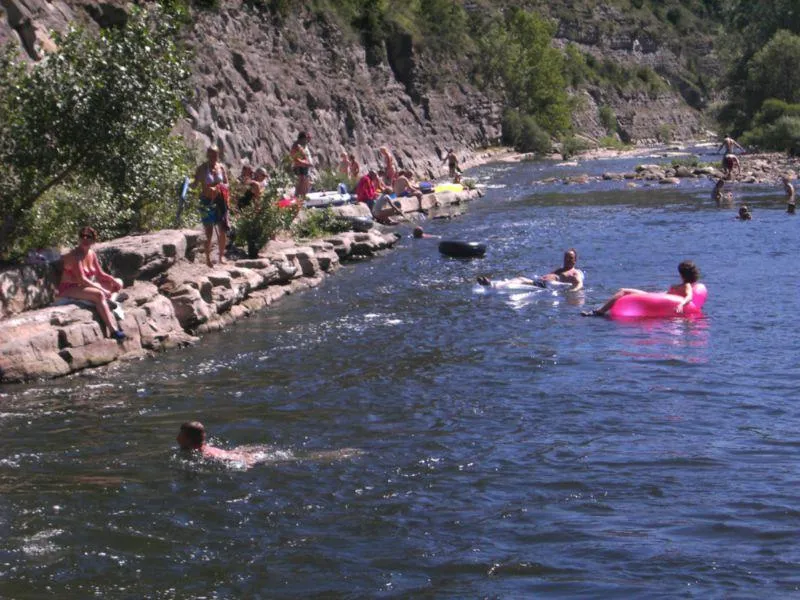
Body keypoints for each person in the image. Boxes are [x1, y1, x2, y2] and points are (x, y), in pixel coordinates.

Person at [57, 226, 126, 340]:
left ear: (93, 240)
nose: (84, 238)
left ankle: (110, 302)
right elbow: (82, 279)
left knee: (118, 282)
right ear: (79, 238)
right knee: (99, 294)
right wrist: (102, 290)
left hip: (84, 287)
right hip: (70, 288)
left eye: (88, 236)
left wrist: (112, 280)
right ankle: (113, 330)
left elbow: (100, 274)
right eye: (82, 236)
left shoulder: (91, 253)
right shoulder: (75, 255)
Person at [581, 260, 700, 317]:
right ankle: (601, 310)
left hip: (654, 299)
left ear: (682, 274)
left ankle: (600, 311)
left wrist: (681, 304)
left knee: (624, 292)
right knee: (624, 290)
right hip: (655, 296)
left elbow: (689, 296)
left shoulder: (686, 285)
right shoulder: (683, 284)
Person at [477, 248, 584, 291]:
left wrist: (572, 291)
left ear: (575, 260)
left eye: (570, 258)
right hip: (540, 282)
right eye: (566, 258)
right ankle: (492, 284)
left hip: (546, 286)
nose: (567, 260)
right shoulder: (560, 269)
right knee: (520, 278)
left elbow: (579, 284)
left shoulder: (575, 273)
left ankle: (492, 286)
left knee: (520, 281)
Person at [193, 144, 230, 267]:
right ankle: (208, 258)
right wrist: (185, 185)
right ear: (207, 154)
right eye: (211, 154)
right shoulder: (202, 168)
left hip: (220, 200)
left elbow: (227, 184)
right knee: (208, 231)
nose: (213, 156)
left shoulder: (221, 168)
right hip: (206, 201)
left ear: (218, 155)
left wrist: (219, 187)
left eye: (215, 154)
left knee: (222, 229)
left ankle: (221, 256)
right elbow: (195, 184)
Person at [290, 131, 313, 199]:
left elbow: (303, 157)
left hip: (303, 167)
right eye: (306, 138)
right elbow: (295, 158)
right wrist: (306, 163)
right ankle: (298, 199)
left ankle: (301, 199)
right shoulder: (297, 146)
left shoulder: (301, 145)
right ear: (302, 138)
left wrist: (307, 163)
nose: (307, 140)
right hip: (299, 167)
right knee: (301, 183)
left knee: (305, 183)